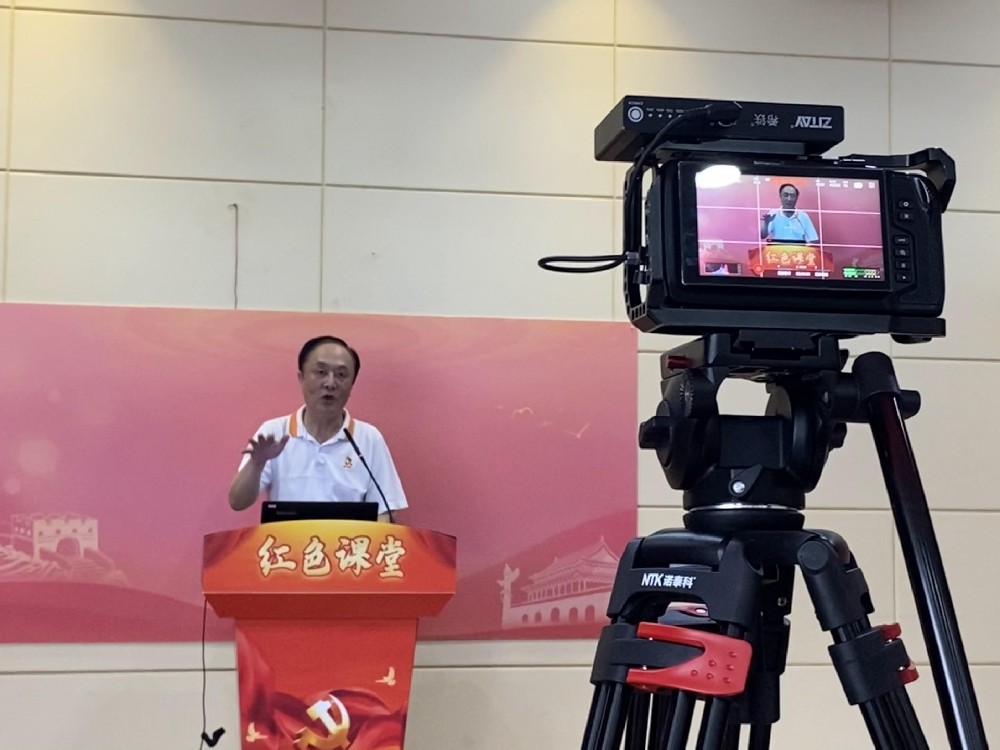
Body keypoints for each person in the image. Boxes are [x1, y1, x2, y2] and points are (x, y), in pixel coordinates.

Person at [228, 335, 407, 522]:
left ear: (352, 384)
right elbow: (237, 502)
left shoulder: (369, 438)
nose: (330, 383)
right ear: (301, 378)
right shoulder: (274, 432)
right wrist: (257, 463)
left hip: (348, 540)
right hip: (288, 539)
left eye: (341, 375)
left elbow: (387, 510)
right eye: (321, 372)